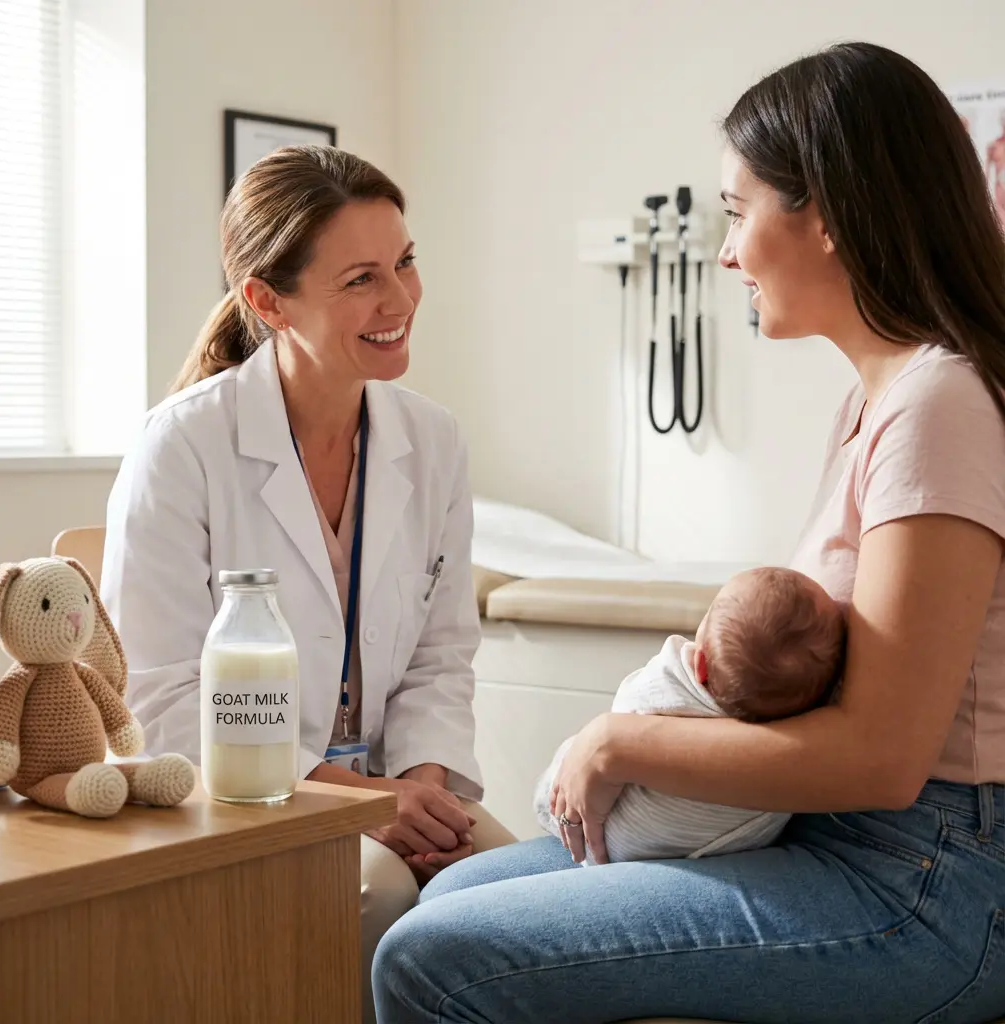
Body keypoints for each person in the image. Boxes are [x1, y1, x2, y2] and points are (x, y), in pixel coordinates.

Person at [372, 41, 1005, 1023]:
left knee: (434, 956)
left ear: (827, 218)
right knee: (450, 896)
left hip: (923, 884)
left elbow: (881, 755)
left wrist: (620, 741)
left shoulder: (938, 403)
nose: (723, 251)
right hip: (851, 842)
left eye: (737, 211)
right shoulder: (877, 401)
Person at [99, 145, 515, 1024]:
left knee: (516, 896)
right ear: (266, 300)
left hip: (399, 785)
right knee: (376, 893)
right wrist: (360, 803)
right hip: (239, 800)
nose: (399, 300)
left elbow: (443, 657)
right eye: (361, 278)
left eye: (404, 262)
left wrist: (423, 795)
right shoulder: (181, 449)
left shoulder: (432, 441)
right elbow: (157, 702)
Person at [533, 567, 844, 864]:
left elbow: (626, 705)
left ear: (701, 665)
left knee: (566, 761)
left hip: (605, 837)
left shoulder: (672, 679)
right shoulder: (796, 733)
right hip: (710, 848)